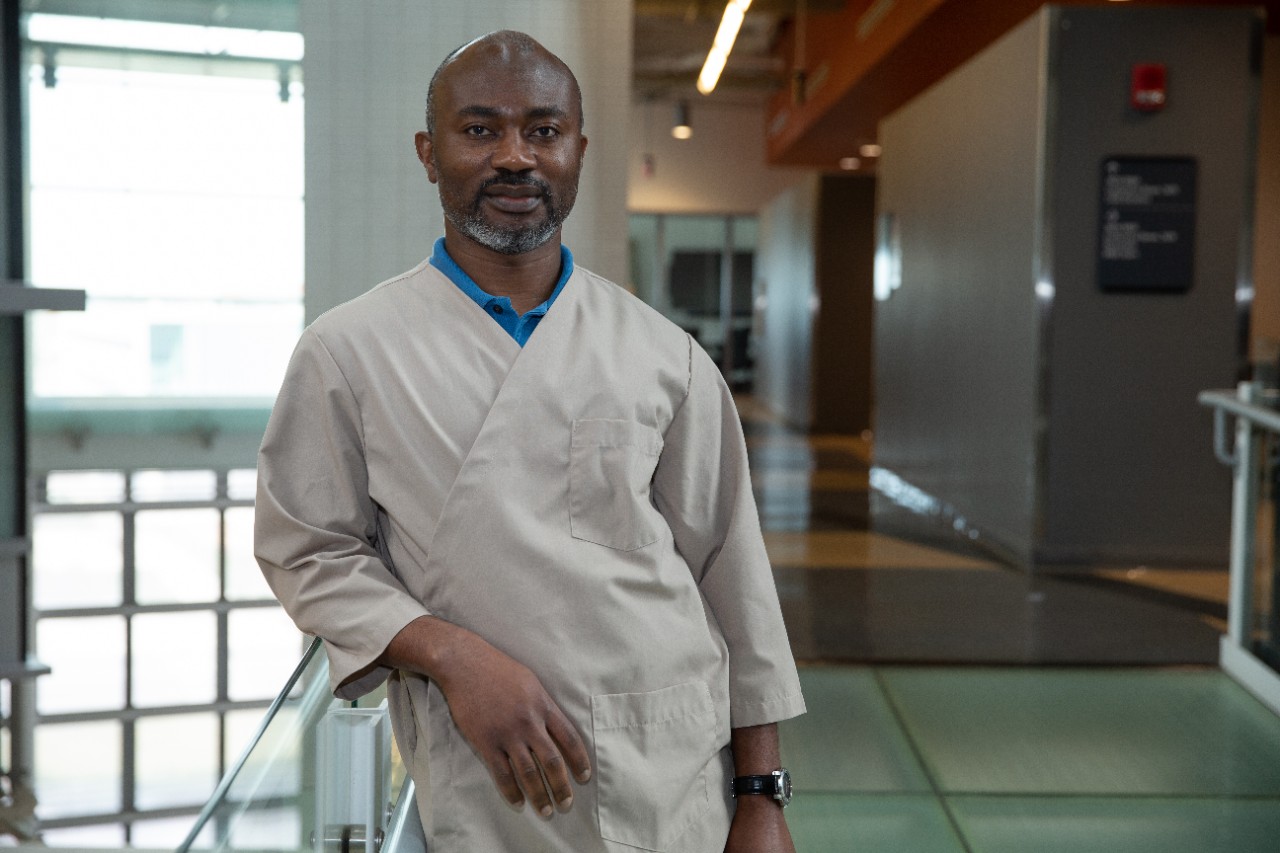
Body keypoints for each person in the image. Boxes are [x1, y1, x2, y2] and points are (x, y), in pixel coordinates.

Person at [255, 30, 805, 853]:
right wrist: (450, 655)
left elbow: (734, 576)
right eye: (479, 129)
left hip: (677, 766)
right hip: (489, 774)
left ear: (579, 149)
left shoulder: (665, 355)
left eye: (543, 131)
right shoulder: (349, 351)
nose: (515, 156)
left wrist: (762, 795)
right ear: (428, 152)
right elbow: (309, 550)